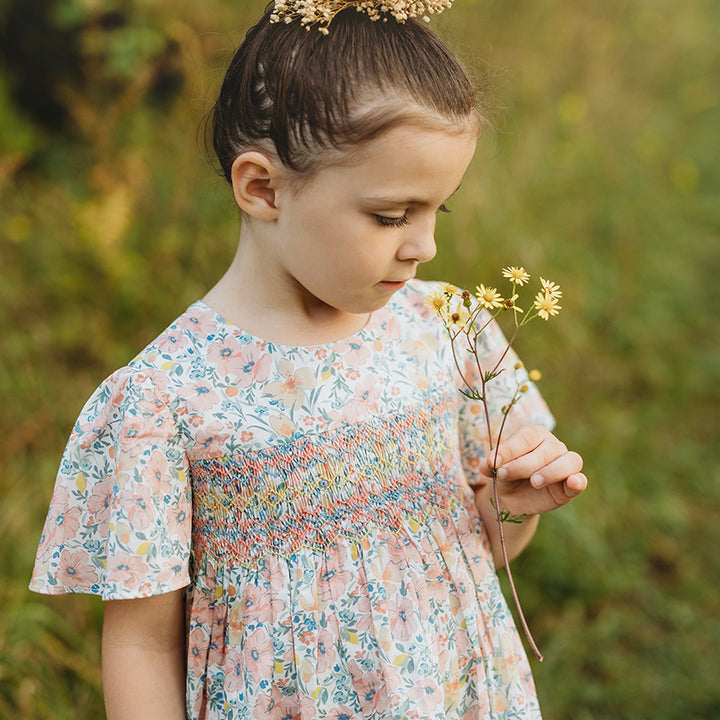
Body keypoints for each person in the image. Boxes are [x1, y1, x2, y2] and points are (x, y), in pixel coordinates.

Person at [30, 3, 587, 718]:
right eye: (391, 215)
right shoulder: (165, 398)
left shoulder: (445, 328)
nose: (424, 247)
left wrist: (511, 509)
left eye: (436, 211)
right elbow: (142, 645)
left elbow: (476, 548)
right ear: (262, 188)